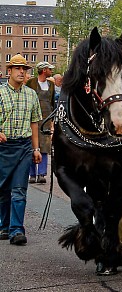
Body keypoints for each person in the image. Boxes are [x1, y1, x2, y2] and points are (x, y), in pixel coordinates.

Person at [0, 54, 42, 245]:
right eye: (17, 68)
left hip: (24, 147)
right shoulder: (0, 93)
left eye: (24, 69)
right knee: (3, 190)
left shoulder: (31, 94)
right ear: (9, 71)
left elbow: (35, 123)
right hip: (3, 147)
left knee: (19, 190)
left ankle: (17, 230)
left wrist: (36, 148)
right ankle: (4, 226)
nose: (21, 72)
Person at [25, 61, 55, 184]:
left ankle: (41, 174)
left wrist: (52, 120)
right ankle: (32, 174)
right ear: (43, 70)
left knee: (45, 147)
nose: (51, 71)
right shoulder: (30, 83)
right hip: (32, 119)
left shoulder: (51, 84)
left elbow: (52, 102)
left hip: (46, 119)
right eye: (49, 69)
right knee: (33, 145)